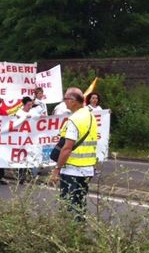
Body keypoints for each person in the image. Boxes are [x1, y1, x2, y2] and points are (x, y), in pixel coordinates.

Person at [48, 87, 98, 221]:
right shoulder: (90, 116)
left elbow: (67, 148)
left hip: (72, 170)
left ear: (73, 101)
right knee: (80, 202)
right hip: (87, 169)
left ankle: (70, 233)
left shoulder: (74, 120)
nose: (64, 101)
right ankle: (79, 230)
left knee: (68, 203)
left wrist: (57, 169)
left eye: (65, 98)